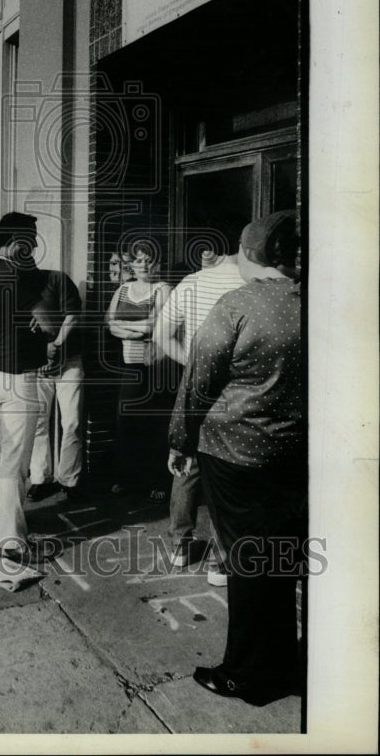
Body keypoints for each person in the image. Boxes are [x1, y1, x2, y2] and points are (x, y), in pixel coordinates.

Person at [169, 211, 304, 706]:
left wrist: (180, 442)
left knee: (251, 566)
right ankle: (290, 662)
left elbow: (198, 382)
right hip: (299, 456)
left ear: (251, 255)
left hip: (238, 453)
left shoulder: (239, 303)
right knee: (284, 561)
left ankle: (250, 674)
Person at [153, 232, 246, 585]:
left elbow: (161, 337)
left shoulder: (189, 283)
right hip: (238, 387)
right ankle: (220, 562)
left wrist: (191, 364)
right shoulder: (248, 283)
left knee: (187, 461)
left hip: (197, 385)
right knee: (226, 466)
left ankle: (180, 544)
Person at [0, 212, 49, 562]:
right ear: (17, 241)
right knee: (15, 462)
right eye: (31, 240)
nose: (36, 246)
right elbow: (48, 321)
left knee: (0, 448)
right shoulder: (15, 274)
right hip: (19, 374)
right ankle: (11, 541)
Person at [107, 240, 174, 501]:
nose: (143, 265)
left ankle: (158, 481)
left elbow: (156, 326)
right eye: (138, 260)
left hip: (154, 366)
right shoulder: (124, 289)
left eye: (149, 260)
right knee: (126, 422)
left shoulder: (163, 289)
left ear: (157, 264)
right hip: (129, 364)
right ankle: (128, 478)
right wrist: (136, 328)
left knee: (153, 423)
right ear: (131, 264)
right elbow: (110, 323)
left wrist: (128, 326)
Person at [26, 266, 85, 503]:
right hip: (36, 362)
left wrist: (57, 344)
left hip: (69, 359)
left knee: (72, 421)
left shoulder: (57, 279)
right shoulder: (15, 287)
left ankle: (69, 478)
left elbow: (73, 312)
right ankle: (41, 478)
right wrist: (39, 348)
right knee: (39, 421)